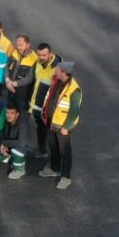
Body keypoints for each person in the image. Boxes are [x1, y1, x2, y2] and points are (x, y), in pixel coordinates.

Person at [40, 61, 82, 190]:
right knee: (53, 146)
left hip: (62, 126)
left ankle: (65, 177)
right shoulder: (56, 81)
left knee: (65, 152)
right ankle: (54, 168)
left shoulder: (74, 90)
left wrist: (66, 127)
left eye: (57, 69)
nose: (55, 71)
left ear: (64, 73)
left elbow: (74, 111)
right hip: (51, 122)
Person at [30, 42, 63, 157]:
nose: (41, 57)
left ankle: (55, 162)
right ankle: (42, 151)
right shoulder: (38, 63)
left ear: (50, 54)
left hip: (49, 109)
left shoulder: (57, 69)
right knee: (40, 130)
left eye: (44, 55)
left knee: (52, 137)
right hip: (38, 106)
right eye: (39, 55)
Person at [0, 105, 32, 180]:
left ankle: (20, 169)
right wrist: (3, 144)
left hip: (30, 148)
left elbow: (22, 143)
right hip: (18, 144)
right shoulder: (7, 121)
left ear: (17, 114)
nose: (9, 115)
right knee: (0, 143)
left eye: (12, 113)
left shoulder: (23, 124)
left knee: (16, 150)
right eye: (7, 112)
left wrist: (5, 143)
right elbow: (3, 135)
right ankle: (11, 157)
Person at [5, 34, 38, 116]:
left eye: (21, 45)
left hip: (22, 93)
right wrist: (7, 79)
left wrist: (13, 84)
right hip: (9, 89)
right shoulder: (14, 52)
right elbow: (6, 66)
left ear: (28, 44)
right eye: (17, 45)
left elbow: (30, 78)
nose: (18, 47)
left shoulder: (34, 59)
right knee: (8, 112)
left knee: (21, 114)